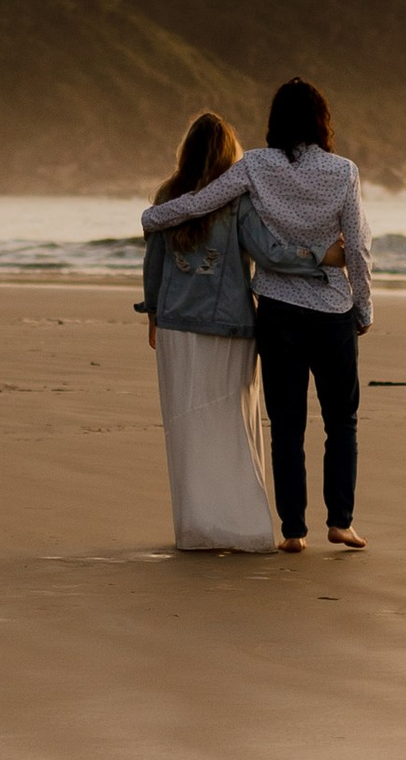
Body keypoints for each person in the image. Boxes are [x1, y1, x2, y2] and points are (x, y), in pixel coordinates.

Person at [141, 76, 372, 552]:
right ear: (322, 122)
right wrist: (363, 307)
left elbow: (200, 202)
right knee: (340, 421)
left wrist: (152, 218)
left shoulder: (255, 166)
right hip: (331, 308)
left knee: (286, 423)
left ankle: (293, 531)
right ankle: (341, 522)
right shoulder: (344, 172)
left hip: (278, 310)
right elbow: (359, 247)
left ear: (275, 121)